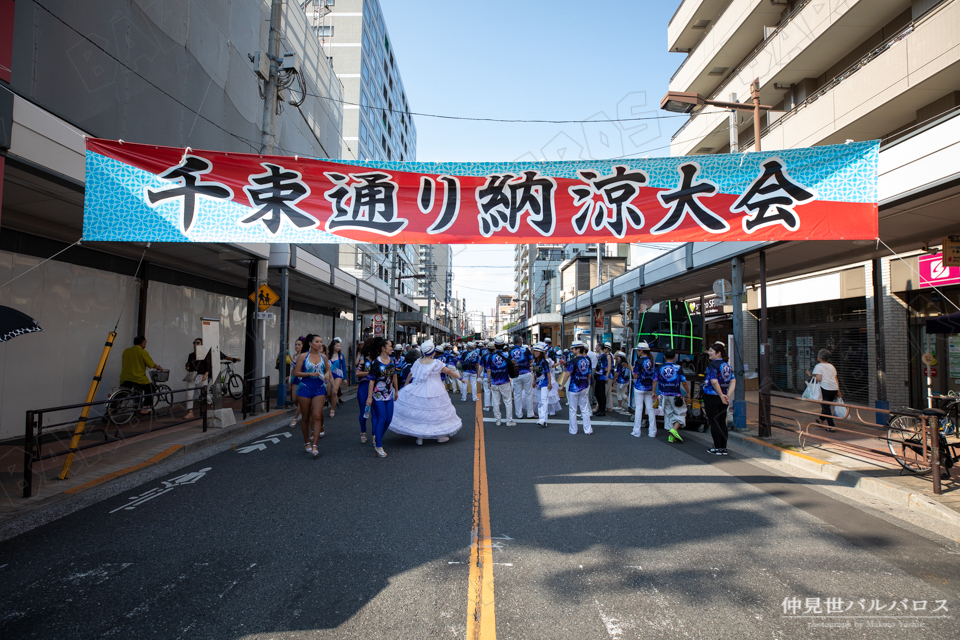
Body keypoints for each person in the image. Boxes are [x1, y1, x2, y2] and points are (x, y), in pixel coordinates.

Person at [390, 340, 463, 445]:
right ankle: (440, 436)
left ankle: (419, 437)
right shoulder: (436, 363)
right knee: (437, 412)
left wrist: (406, 385)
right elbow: (449, 371)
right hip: (435, 389)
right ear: (432, 352)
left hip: (418, 388)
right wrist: (460, 378)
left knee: (420, 413)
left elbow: (410, 374)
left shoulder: (418, 362)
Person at [294, 334, 332, 459]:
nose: (319, 344)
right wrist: (310, 373)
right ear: (310, 343)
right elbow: (296, 372)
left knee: (316, 415)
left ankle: (315, 445)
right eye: (317, 341)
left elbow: (328, 370)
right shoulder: (303, 356)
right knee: (305, 417)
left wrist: (327, 375)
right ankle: (306, 442)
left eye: (321, 342)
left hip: (319, 388)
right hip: (305, 387)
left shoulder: (324, 357)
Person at [364, 337, 398, 457]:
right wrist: (369, 397)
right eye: (390, 346)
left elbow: (394, 376)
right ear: (383, 348)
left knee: (389, 419)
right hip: (377, 394)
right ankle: (378, 446)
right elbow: (371, 380)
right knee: (382, 418)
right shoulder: (376, 362)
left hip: (389, 393)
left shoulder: (391, 360)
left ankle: (378, 439)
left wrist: (396, 391)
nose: (391, 348)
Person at [704, 342, 736, 455]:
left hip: (712, 396)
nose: (709, 353)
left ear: (718, 353)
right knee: (722, 422)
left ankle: (717, 447)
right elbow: (733, 380)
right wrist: (728, 394)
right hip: (724, 397)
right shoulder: (727, 365)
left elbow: (713, 381)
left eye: (711, 351)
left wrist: (720, 394)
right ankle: (723, 447)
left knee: (714, 422)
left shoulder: (712, 365)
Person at [120, 335, 163, 414]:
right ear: (142, 343)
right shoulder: (142, 352)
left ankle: (110, 410)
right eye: (145, 342)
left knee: (122, 393)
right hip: (138, 378)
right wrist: (159, 368)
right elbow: (151, 364)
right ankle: (144, 409)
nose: (146, 344)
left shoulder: (126, 351)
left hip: (125, 377)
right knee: (151, 389)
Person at [654, 349, 690, 444]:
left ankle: (671, 437)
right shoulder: (678, 368)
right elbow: (684, 382)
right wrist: (688, 392)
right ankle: (674, 429)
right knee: (681, 412)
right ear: (675, 357)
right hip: (675, 395)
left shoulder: (660, 367)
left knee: (669, 414)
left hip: (663, 395)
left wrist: (654, 392)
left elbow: (654, 380)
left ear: (664, 357)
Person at [561, 340, 593, 435]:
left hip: (574, 387)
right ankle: (588, 429)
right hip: (584, 386)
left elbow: (567, 374)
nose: (571, 350)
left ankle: (573, 430)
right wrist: (586, 383)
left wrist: (562, 385)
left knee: (573, 409)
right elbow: (589, 374)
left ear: (578, 349)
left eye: (573, 348)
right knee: (584, 409)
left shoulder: (573, 361)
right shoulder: (587, 360)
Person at [806, 349, 841, 431]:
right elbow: (836, 379)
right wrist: (838, 391)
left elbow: (819, 378)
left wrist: (810, 375)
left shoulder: (818, 366)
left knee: (826, 407)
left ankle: (832, 426)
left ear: (820, 357)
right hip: (834, 388)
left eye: (818, 355)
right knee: (826, 406)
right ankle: (821, 420)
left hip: (825, 388)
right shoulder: (832, 366)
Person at [486, 337, 516, 426]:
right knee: (508, 401)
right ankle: (509, 421)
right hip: (505, 381)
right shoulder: (507, 355)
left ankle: (498, 420)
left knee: (495, 401)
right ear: (503, 346)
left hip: (494, 381)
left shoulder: (490, 356)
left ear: (495, 346)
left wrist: (488, 381)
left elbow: (488, 370)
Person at [631, 342, 658, 438]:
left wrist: (631, 368)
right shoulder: (652, 361)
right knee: (650, 409)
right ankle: (652, 431)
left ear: (641, 351)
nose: (637, 352)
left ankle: (636, 431)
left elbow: (635, 375)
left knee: (639, 408)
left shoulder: (638, 361)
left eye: (638, 350)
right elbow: (654, 378)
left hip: (639, 386)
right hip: (650, 387)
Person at [510, 336, 535, 419]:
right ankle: (530, 413)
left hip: (516, 374)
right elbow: (531, 360)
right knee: (529, 394)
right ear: (521, 342)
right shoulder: (525, 350)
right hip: (526, 373)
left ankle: (519, 414)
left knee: (517, 395)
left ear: (513, 343)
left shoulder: (510, 351)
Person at [355, 338, 374, 444]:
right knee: (364, 411)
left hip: (376, 388)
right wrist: (370, 373)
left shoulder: (379, 359)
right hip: (364, 386)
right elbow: (357, 373)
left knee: (376, 412)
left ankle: (375, 434)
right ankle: (363, 432)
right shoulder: (364, 359)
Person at [183, 337, 206, 421]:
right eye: (194, 343)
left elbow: (208, 366)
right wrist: (187, 367)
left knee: (203, 393)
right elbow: (189, 366)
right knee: (189, 393)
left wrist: (206, 374)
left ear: (202, 344)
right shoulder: (191, 355)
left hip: (201, 375)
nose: (195, 344)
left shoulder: (205, 354)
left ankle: (210, 402)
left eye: (197, 343)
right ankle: (190, 412)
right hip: (192, 374)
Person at [531, 343, 554, 428]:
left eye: (537, 351)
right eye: (535, 351)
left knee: (544, 401)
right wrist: (534, 381)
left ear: (541, 352)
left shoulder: (544, 362)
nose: (535, 353)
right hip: (538, 383)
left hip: (544, 383)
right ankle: (543, 419)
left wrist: (550, 383)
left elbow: (548, 373)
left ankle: (543, 419)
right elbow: (535, 372)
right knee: (540, 401)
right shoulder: (535, 362)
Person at [327, 337, 346, 418]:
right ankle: (333, 403)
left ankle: (332, 409)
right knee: (328, 393)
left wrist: (345, 378)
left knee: (334, 390)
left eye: (339, 346)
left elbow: (344, 367)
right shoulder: (327, 355)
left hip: (338, 374)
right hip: (329, 374)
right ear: (333, 346)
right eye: (337, 346)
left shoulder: (341, 356)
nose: (339, 347)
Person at [594, 342, 612, 417]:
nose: (595, 348)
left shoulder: (604, 357)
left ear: (600, 348)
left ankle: (602, 410)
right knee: (597, 393)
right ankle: (600, 409)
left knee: (601, 394)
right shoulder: (600, 356)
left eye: (596, 346)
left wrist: (599, 373)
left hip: (601, 377)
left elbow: (605, 368)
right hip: (599, 377)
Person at [289, 338, 304, 427]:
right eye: (296, 344)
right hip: (295, 379)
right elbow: (292, 370)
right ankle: (304, 410)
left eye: (299, 344)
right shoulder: (294, 356)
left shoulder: (304, 356)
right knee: (294, 399)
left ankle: (295, 418)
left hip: (302, 379)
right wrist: (290, 380)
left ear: (302, 346)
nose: (297, 346)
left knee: (300, 399)